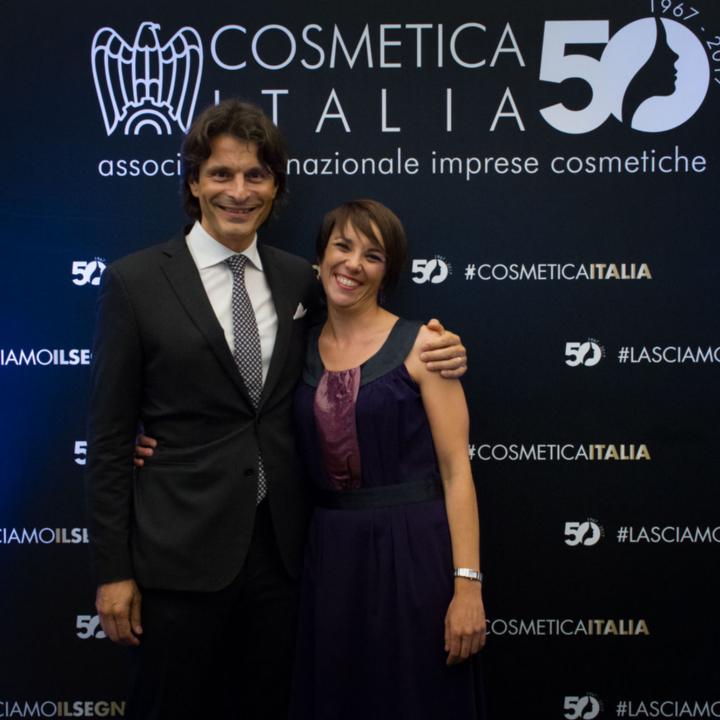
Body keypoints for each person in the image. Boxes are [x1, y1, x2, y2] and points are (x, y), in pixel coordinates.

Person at [86, 99, 468, 720]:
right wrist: (113, 571)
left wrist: (440, 347)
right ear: (194, 183)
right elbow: (107, 438)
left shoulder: (302, 281)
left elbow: (361, 342)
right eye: (221, 174)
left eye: (255, 176)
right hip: (179, 556)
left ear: (275, 189)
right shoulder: (136, 282)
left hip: (286, 558)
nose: (239, 191)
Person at [289, 199, 485, 719]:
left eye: (372, 255)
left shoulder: (426, 346)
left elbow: (457, 473)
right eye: (343, 246)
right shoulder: (295, 347)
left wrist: (468, 585)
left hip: (414, 553)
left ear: (387, 272)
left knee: (416, 697)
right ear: (320, 256)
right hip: (330, 557)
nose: (353, 264)